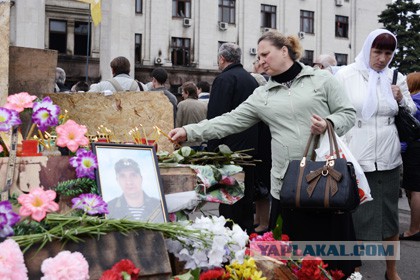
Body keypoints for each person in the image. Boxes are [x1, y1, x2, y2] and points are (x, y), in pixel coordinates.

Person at [169, 30, 358, 276]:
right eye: (258, 56)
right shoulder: (262, 95)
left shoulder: (321, 80)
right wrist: (188, 132)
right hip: (287, 186)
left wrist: (328, 124)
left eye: (265, 54)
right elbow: (228, 121)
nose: (261, 60)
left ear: (284, 51)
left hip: (326, 182)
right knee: (292, 262)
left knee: (332, 261)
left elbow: (348, 113)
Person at [335, 29, 416, 280]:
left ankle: (391, 271)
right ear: (367, 48)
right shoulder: (346, 75)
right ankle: (354, 270)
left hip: (388, 160)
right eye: (377, 51)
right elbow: (335, 110)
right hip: (356, 159)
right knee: (355, 219)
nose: (382, 58)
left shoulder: (395, 77)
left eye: (388, 53)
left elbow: (411, 111)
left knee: (390, 219)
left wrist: (401, 98)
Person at [205, 42, 259, 234]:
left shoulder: (224, 79)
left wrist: (212, 151)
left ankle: (228, 237)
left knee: (229, 201)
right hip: (250, 151)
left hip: (228, 151)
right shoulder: (251, 80)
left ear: (222, 59)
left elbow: (216, 118)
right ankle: (245, 235)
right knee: (246, 198)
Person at [249, 59, 271, 234]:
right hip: (260, 149)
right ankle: (258, 219)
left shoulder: (264, 107)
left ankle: (264, 221)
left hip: (264, 150)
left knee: (263, 189)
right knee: (259, 189)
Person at [107, 158, 165, 222]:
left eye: (133, 175)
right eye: (122, 176)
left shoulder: (158, 205)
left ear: (141, 178)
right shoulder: (109, 208)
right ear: (117, 180)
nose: (129, 182)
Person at [399, 71, 420, 241]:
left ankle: (414, 229)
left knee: (415, 189)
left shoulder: (414, 101)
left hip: (415, 148)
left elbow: (406, 128)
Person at [176, 81, 208, 150]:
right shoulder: (204, 105)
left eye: (183, 92)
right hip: (201, 143)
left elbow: (178, 123)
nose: (182, 94)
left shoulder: (181, 105)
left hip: (186, 144)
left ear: (187, 92)